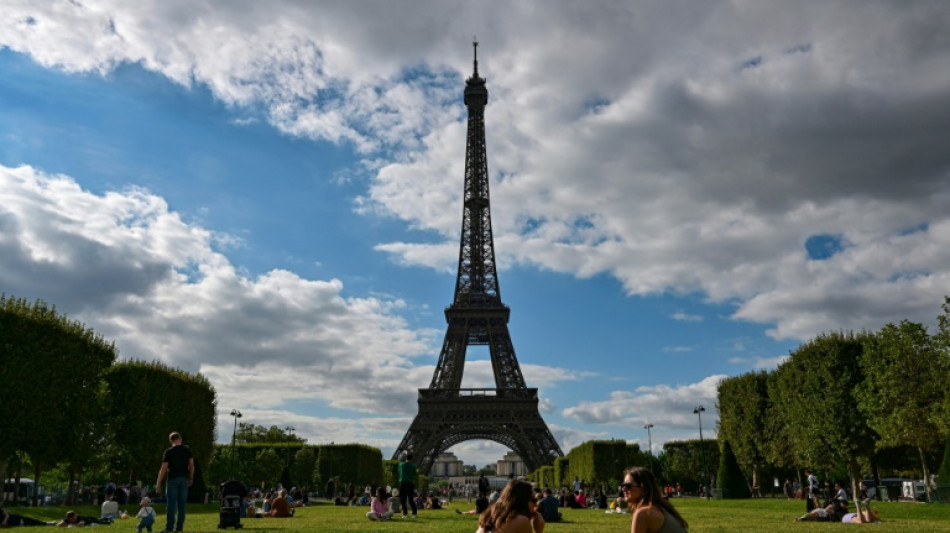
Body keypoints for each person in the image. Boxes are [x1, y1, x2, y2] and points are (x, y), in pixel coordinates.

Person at [621, 466, 688, 533]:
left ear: (643, 487)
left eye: (628, 485)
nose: (623, 489)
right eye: (623, 485)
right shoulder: (661, 507)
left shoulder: (643, 513)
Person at [155, 431, 195, 533]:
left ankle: (169, 527)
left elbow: (164, 468)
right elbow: (191, 465)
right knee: (182, 505)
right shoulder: (187, 450)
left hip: (172, 478)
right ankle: (179, 527)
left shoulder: (169, 451)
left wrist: (158, 482)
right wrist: (191, 478)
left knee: (171, 504)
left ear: (171, 441)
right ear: (180, 439)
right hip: (184, 479)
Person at [398, 453, 418, 519]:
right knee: (411, 499)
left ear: (406, 458)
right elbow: (414, 474)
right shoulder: (413, 466)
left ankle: (405, 514)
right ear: (411, 459)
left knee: (403, 500)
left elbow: (399, 472)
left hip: (403, 483)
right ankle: (414, 513)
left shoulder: (401, 465)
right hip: (410, 484)